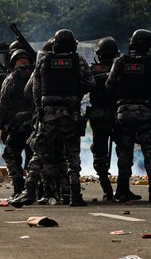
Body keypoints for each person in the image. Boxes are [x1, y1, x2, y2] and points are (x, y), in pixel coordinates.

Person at [12, 29, 94, 208]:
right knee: (72, 156)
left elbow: (33, 89)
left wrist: (40, 109)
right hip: (70, 114)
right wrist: (75, 93)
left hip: (48, 114)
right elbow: (90, 84)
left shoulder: (44, 61)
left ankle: (29, 192)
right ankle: (75, 195)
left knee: (39, 153)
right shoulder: (78, 61)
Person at [106, 29, 151, 203]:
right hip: (147, 114)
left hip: (124, 113)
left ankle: (121, 190)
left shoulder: (120, 62)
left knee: (125, 154)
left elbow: (109, 85)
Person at [0, 48, 35, 198]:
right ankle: (34, 188)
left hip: (17, 126)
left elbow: (3, 104)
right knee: (33, 158)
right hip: (35, 125)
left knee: (10, 154)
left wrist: (2, 127)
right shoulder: (37, 75)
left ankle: (19, 186)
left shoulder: (11, 78)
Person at [86, 36, 120, 201]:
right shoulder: (120, 67)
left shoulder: (92, 70)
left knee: (100, 152)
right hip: (118, 113)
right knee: (124, 150)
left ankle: (107, 190)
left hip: (98, 114)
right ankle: (122, 189)